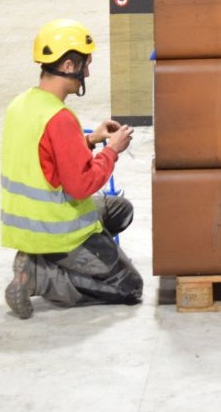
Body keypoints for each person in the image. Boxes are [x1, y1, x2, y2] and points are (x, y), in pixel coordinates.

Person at [2, 18, 143, 319]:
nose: (87, 73)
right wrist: (112, 150)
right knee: (129, 287)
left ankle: (37, 259)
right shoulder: (60, 117)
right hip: (57, 230)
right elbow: (81, 185)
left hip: (27, 223)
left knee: (121, 209)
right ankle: (41, 277)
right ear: (68, 65)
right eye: (85, 65)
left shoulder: (22, 103)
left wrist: (92, 139)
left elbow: (44, 154)